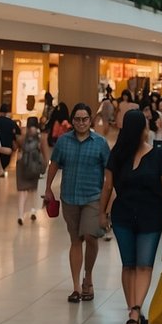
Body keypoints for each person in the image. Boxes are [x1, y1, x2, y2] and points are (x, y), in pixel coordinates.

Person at [99, 110, 162, 324]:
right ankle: (135, 310)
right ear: (140, 130)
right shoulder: (117, 155)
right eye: (145, 126)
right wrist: (102, 213)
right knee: (129, 265)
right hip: (123, 216)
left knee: (144, 265)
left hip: (150, 218)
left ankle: (134, 312)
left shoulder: (159, 156)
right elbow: (107, 187)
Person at [44, 104, 109, 303]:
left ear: (90, 120)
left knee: (90, 237)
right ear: (72, 121)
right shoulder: (64, 142)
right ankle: (76, 287)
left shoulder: (100, 143)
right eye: (78, 119)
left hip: (93, 197)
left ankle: (88, 277)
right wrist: (48, 189)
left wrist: (109, 202)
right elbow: (54, 165)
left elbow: (109, 174)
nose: (81, 123)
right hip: (69, 197)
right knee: (75, 240)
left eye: (85, 119)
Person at [16, 116, 46, 225]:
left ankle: (20, 215)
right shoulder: (41, 137)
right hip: (34, 165)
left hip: (22, 165)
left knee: (22, 192)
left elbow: (15, 146)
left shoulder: (23, 137)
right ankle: (33, 210)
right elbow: (44, 153)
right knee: (33, 189)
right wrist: (44, 166)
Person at [0, 102, 20, 175]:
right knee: (5, 162)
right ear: (7, 112)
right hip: (7, 147)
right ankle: (3, 170)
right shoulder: (11, 123)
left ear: (0, 112)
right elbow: (17, 134)